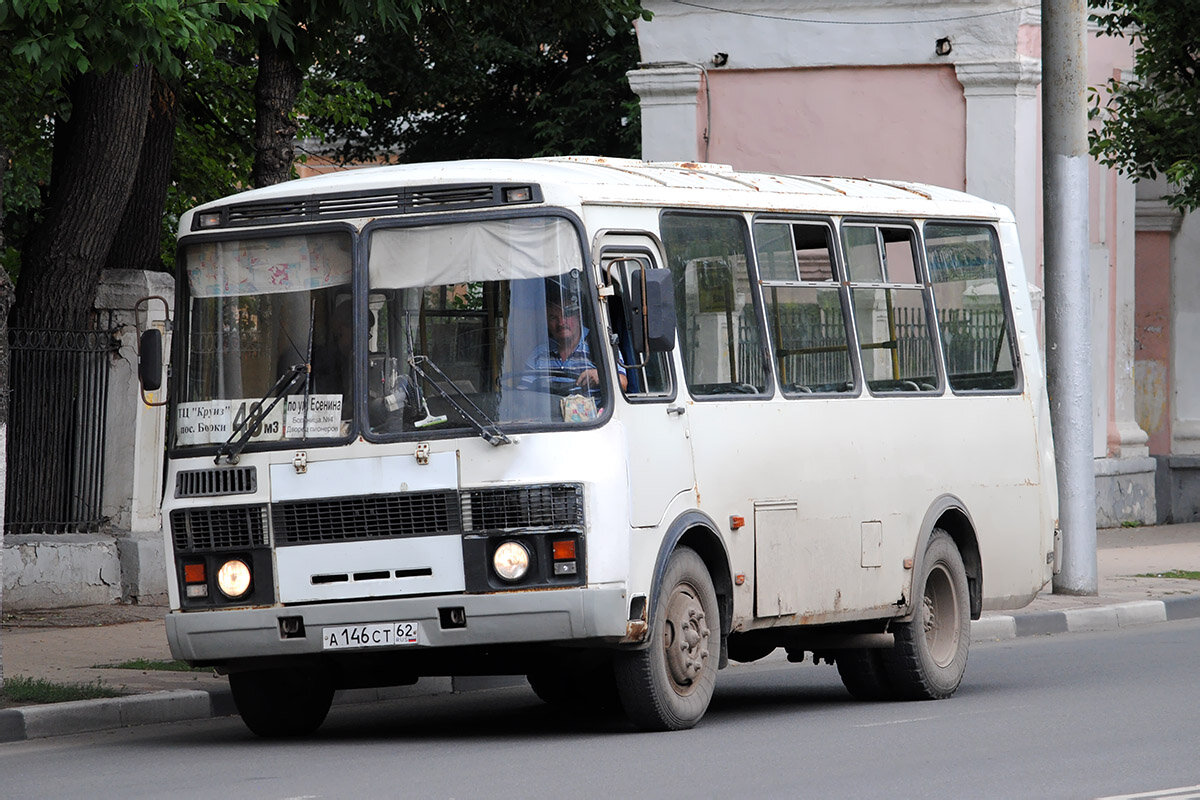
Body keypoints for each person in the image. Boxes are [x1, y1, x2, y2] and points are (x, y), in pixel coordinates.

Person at [524, 290, 627, 394]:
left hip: (593, 410)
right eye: (553, 317)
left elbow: (623, 383)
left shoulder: (600, 346)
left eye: (567, 315)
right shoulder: (539, 354)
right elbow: (523, 393)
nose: (561, 322)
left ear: (578, 316)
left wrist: (600, 376)